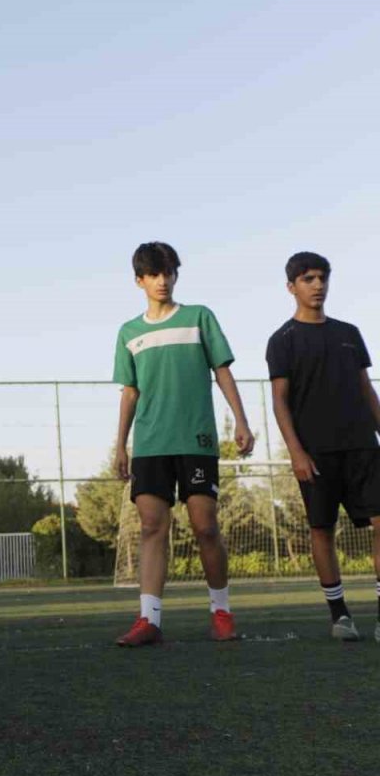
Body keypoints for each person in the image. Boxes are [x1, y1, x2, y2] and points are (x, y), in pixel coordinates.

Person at [112, 242, 254, 646]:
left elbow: (223, 372)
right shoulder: (129, 333)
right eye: (154, 274)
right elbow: (129, 392)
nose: (163, 280)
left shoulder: (199, 318)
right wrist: (121, 446)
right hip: (151, 445)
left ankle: (221, 611)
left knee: (205, 527)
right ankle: (149, 620)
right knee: (153, 527)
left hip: (197, 440)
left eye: (169, 272)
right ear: (139, 280)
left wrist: (240, 421)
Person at [266, 252, 380, 642]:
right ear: (291, 286)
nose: (317, 285)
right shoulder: (282, 340)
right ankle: (340, 615)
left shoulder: (349, 333)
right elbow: (280, 401)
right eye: (308, 278)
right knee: (322, 529)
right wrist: (297, 452)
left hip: (363, 447)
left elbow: (367, 390)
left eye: (322, 278)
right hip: (316, 453)